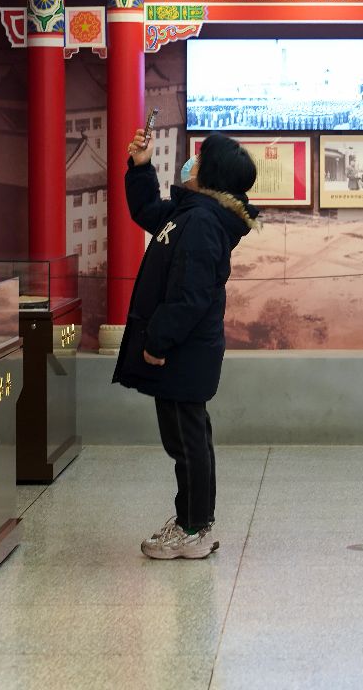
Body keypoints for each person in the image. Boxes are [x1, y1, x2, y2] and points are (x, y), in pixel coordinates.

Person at [113, 128, 260, 560]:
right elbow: (148, 211)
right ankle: (190, 521)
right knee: (184, 439)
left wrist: (158, 341)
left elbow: (189, 295)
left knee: (187, 441)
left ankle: (194, 528)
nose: (191, 162)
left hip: (183, 351)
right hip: (182, 350)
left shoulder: (202, 223)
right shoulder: (192, 213)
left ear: (211, 175)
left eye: (200, 158)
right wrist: (142, 167)